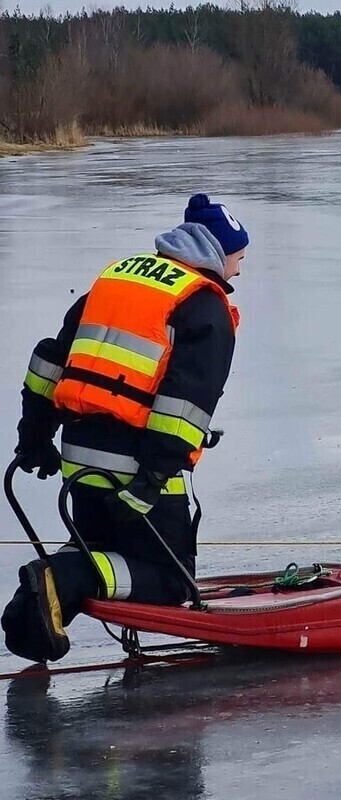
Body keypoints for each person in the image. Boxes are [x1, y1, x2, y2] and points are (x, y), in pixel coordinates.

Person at [2, 194, 247, 663]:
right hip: (136, 466)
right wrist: (155, 477)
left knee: (102, 548)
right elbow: (186, 405)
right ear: (215, 252)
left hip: (79, 455)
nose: (239, 270)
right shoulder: (202, 306)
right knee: (170, 578)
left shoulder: (115, 280)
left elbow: (50, 362)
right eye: (238, 257)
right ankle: (62, 580)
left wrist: (33, 439)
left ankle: (45, 597)